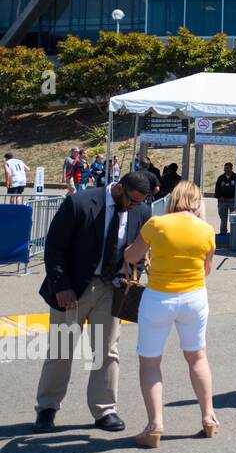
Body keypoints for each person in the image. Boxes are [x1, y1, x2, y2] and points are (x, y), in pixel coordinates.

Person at [32, 170, 154, 434]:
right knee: (62, 349)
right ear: (119, 188)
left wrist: (131, 281)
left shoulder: (142, 213)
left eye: (139, 202)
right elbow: (54, 248)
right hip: (73, 290)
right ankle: (47, 408)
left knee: (107, 351)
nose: (134, 207)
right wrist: (61, 286)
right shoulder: (80, 203)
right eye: (131, 201)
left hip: (110, 290)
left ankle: (105, 409)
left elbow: (138, 251)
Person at [122, 181, 217, 447]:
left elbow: (132, 256)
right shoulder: (207, 230)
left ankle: (155, 425)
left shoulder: (157, 224)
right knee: (197, 357)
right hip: (195, 297)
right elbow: (207, 268)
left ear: (173, 199)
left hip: (159, 297)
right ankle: (208, 416)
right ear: (198, 201)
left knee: (150, 362)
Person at [214, 161, 236, 236]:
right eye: (225, 168)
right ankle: (223, 232)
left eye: (227, 168)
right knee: (223, 218)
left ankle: (234, 232)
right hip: (223, 202)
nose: (226, 170)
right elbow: (217, 189)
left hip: (233, 201)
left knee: (234, 218)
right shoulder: (221, 178)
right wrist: (219, 197)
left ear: (231, 168)